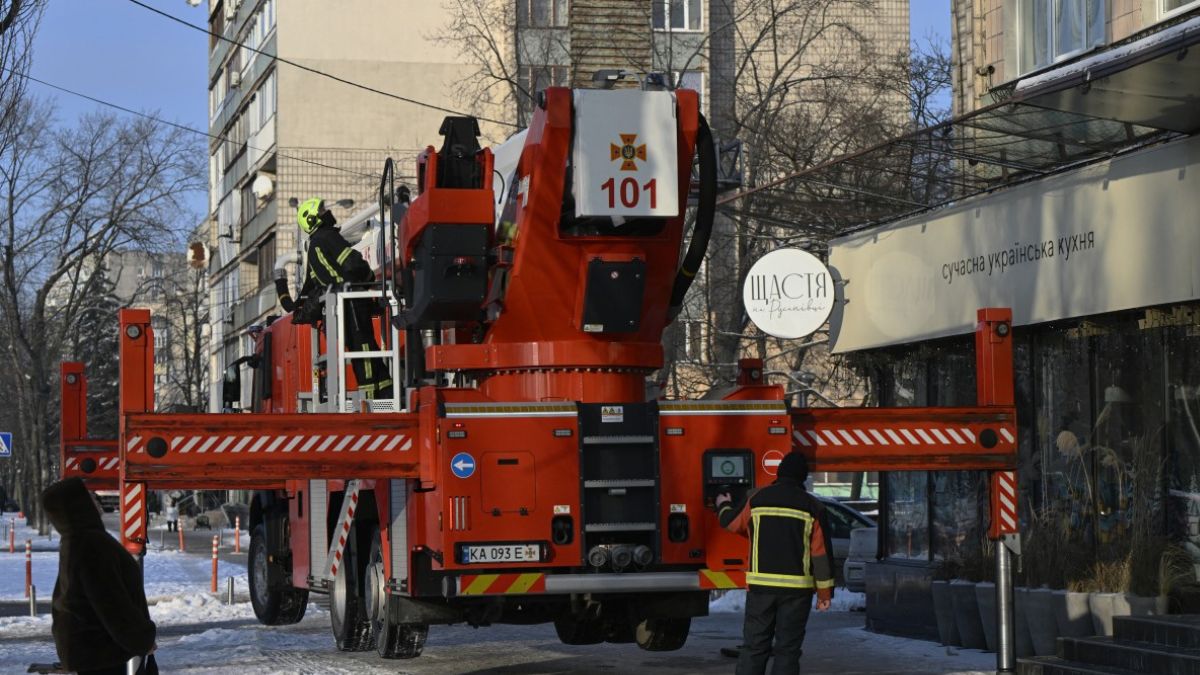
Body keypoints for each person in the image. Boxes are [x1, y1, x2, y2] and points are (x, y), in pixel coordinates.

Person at [717, 451, 834, 675]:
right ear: (803, 478)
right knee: (787, 650)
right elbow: (820, 554)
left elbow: (730, 523)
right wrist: (824, 595)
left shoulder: (757, 498)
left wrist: (723, 504)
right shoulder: (813, 507)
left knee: (754, 648)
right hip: (797, 592)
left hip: (761, 589)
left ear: (779, 472)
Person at [42, 477, 157, 675]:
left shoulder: (75, 539)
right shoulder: (91, 544)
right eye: (88, 497)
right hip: (103, 654)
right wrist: (140, 639)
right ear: (78, 506)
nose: (95, 501)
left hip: (91, 652)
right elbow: (110, 601)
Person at [291, 197, 392, 400]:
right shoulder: (328, 237)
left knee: (362, 351)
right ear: (313, 220)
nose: (326, 212)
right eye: (321, 211)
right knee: (365, 350)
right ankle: (377, 398)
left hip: (339, 309)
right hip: (353, 304)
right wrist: (369, 278)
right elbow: (353, 263)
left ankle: (382, 391)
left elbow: (311, 285)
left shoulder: (314, 247)